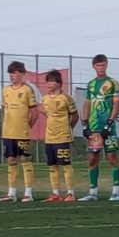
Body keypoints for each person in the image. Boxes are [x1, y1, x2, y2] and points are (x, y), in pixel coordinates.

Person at [79, 54, 119, 201]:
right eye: (98, 65)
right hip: (94, 127)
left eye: (103, 65)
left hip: (108, 127)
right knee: (92, 159)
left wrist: (109, 123)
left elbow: (117, 104)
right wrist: (84, 124)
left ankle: (115, 192)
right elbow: (86, 104)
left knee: (112, 157)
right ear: (93, 67)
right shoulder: (90, 84)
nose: (101, 68)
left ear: (107, 65)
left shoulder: (113, 83)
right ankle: (93, 193)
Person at [0, 61, 39, 202]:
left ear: (22, 74)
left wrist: (27, 127)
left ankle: (28, 193)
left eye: (15, 73)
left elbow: (34, 112)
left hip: (22, 132)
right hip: (8, 132)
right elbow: (4, 110)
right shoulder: (5, 90)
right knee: (11, 160)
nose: (12, 76)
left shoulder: (27, 90)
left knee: (25, 160)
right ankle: (12, 193)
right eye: (10, 73)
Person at [41, 70, 79, 202]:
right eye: (48, 81)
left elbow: (75, 115)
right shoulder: (45, 99)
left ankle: (70, 193)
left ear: (59, 83)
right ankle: (55, 193)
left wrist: (68, 129)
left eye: (52, 81)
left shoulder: (66, 98)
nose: (50, 84)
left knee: (66, 164)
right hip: (49, 137)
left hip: (63, 136)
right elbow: (46, 114)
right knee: (52, 165)